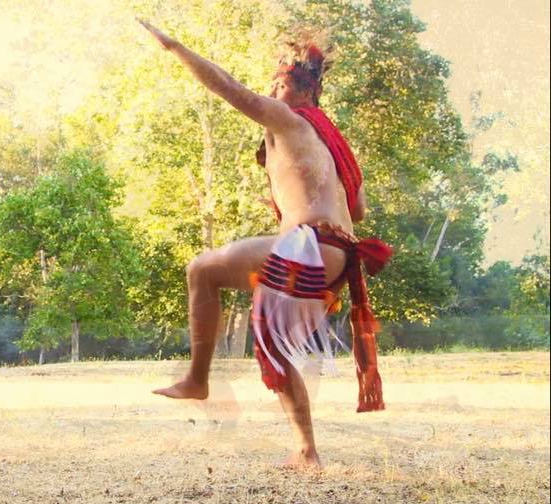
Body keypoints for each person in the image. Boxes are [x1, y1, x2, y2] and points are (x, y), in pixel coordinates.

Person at [138, 19, 392, 468]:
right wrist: (291, 199)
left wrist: (175, 47)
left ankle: (197, 379)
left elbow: (230, 89)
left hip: (308, 247)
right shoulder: (333, 142)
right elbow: (360, 209)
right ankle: (306, 450)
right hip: (336, 258)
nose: (270, 91)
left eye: (275, 83)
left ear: (292, 86)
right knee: (273, 343)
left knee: (202, 269)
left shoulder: (288, 117)